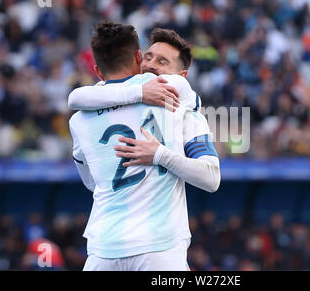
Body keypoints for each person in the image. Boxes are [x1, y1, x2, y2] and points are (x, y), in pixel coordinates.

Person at [69, 22, 220, 271]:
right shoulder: (173, 96)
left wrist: (159, 154)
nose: (151, 66)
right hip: (158, 247)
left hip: (104, 249)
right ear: (138, 57)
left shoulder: (80, 116)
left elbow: (90, 182)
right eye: (148, 57)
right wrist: (139, 94)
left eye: (162, 62)